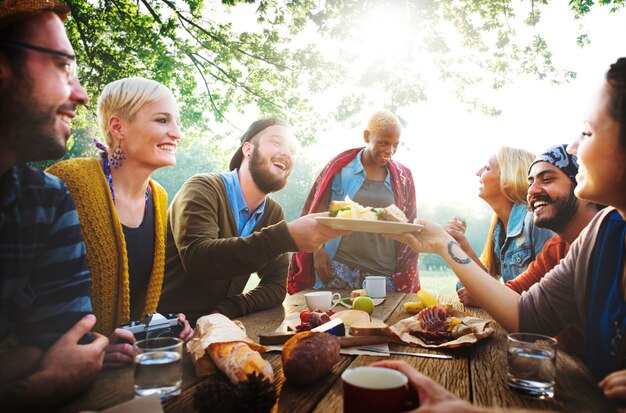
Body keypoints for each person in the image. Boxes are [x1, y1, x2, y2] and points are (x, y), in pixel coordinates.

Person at [386, 57, 626, 404]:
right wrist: (441, 244)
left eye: (587, 132)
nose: (573, 147)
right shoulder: (602, 236)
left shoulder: (553, 229)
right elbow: (526, 314)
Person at [0, 1, 108, 409]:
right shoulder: (73, 184)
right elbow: (55, 359)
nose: (80, 95)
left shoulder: (45, 199)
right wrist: (37, 388)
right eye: (63, 65)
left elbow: (65, 335)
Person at [47, 77, 193, 369]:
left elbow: (139, 300)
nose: (176, 133)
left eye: (176, 122)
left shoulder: (159, 196)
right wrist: (93, 347)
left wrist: (160, 326)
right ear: (118, 127)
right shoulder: (68, 181)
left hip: (129, 377)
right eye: (162, 120)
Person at [159, 118, 347, 326]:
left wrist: (228, 308)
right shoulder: (202, 188)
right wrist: (285, 237)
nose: (287, 153)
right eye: (276, 142)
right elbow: (198, 259)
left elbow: (275, 287)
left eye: (293, 150)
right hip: (166, 331)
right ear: (248, 149)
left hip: (220, 327)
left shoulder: (273, 212)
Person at [287, 110, 419, 294]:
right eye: (383, 143)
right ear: (367, 136)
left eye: (395, 145)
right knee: (335, 321)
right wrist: (317, 250)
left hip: (383, 275)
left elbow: (409, 223)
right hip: (339, 268)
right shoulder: (340, 168)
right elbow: (315, 211)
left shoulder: (404, 177)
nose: (389, 151)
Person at [456, 144, 600, 308]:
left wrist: (486, 297)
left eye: (546, 179)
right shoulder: (554, 247)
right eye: (530, 182)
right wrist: (456, 245)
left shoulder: (536, 222)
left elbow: (544, 302)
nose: (532, 190)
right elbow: (507, 291)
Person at [449, 146, 554, 292]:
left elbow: (549, 292)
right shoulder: (498, 229)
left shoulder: (535, 222)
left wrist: (485, 297)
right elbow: (482, 283)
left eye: (486, 168)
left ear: (507, 179)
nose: (477, 173)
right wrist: (460, 243)